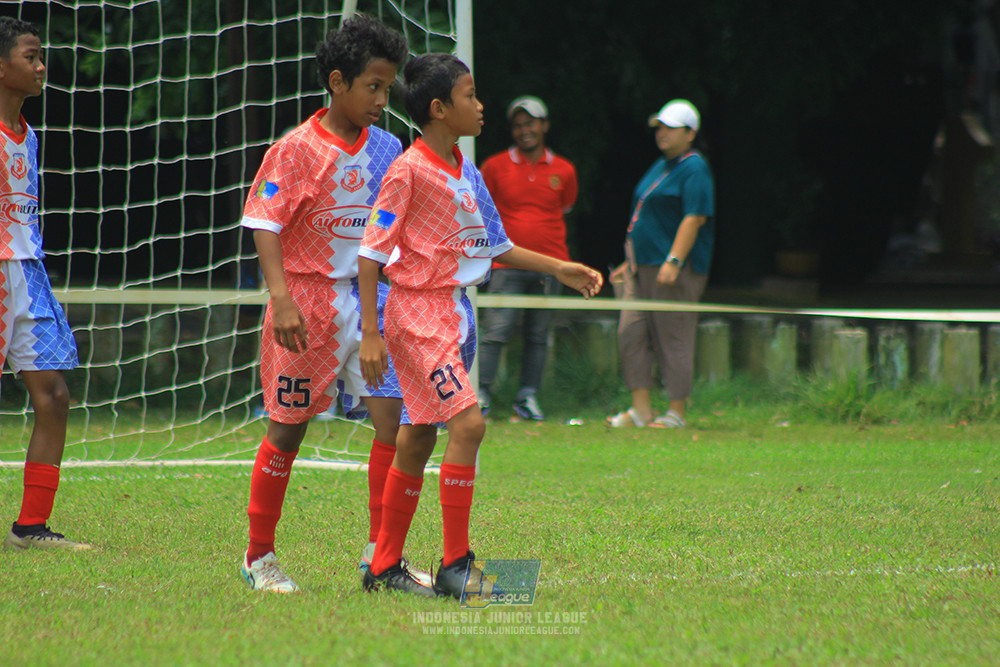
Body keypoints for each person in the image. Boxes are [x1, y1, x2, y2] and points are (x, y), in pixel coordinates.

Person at [357, 53, 603, 599]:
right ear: (441, 109)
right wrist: (371, 332)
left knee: (419, 435)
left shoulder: (465, 169)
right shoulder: (408, 169)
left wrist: (558, 266)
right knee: (469, 426)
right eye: (471, 95)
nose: (481, 105)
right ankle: (455, 565)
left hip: (453, 312)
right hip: (419, 316)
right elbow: (371, 253)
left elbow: (496, 245)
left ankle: (384, 566)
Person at [238, 14, 415, 593]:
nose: (383, 100)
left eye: (388, 88)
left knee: (393, 421)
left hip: (372, 305)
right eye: (374, 86)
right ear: (337, 82)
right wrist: (281, 298)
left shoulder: (389, 148)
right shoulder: (294, 150)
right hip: (306, 305)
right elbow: (264, 222)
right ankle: (259, 557)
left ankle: (380, 557)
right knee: (287, 430)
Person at [0, 17, 90, 551]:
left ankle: (31, 527)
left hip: (26, 275)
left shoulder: (27, 135)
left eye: (41, 57)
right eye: (30, 57)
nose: (40, 67)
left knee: (54, 396)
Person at [607, 99, 715, 429]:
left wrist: (674, 260)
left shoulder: (695, 168)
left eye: (671, 127)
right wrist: (630, 261)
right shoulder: (662, 165)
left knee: (673, 337)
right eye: (660, 127)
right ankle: (641, 410)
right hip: (642, 267)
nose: (662, 133)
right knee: (631, 333)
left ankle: (676, 412)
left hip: (673, 269)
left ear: (690, 132)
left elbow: (694, 218)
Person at [477, 95, 578, 421]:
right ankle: (481, 396)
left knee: (538, 336)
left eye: (530, 123)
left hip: (552, 266)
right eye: (518, 125)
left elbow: (565, 208)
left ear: (544, 125)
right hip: (507, 263)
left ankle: (527, 399)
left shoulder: (564, 169)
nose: (524, 130)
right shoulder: (494, 166)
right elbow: (482, 212)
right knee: (495, 332)